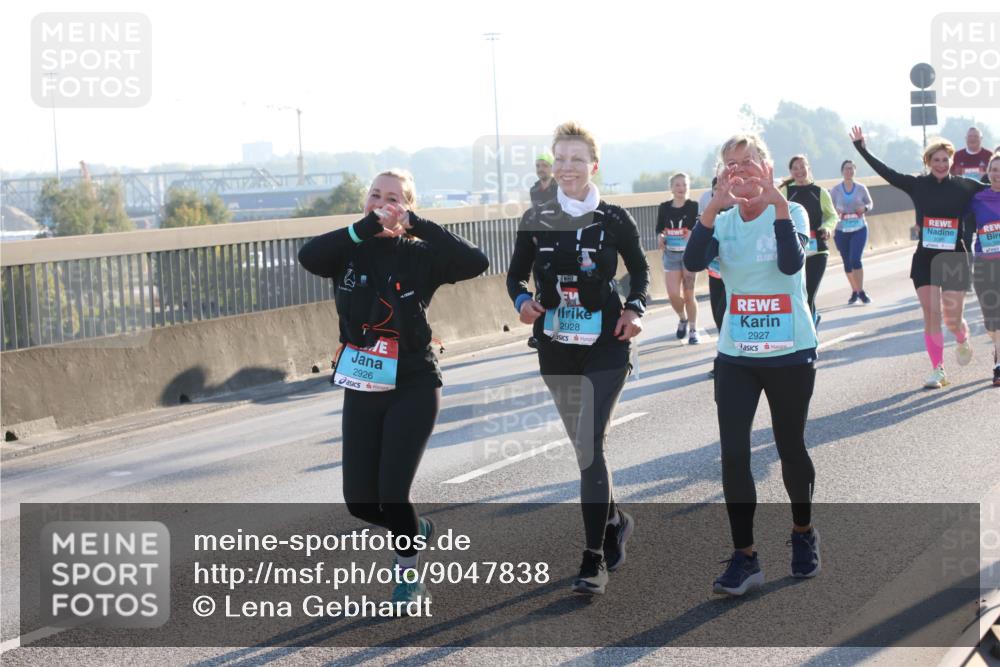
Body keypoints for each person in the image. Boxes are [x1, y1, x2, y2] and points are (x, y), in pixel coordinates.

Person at [298, 169, 489, 608]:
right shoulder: (347, 251)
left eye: (394, 198)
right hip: (363, 382)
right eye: (375, 195)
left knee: (392, 494)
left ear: (407, 206)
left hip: (414, 383)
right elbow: (309, 256)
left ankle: (408, 575)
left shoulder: (419, 255)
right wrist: (365, 227)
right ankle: (414, 529)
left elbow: (475, 262)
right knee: (360, 502)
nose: (383, 203)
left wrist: (417, 224)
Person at [507, 122, 648, 595]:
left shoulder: (613, 219)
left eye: (576, 159)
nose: (567, 167)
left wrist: (634, 308)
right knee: (583, 448)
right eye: (560, 159)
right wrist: (523, 303)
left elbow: (641, 271)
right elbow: (514, 278)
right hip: (556, 345)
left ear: (593, 165)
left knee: (589, 446)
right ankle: (614, 518)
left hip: (607, 342)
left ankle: (593, 561)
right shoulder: (537, 216)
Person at [684, 134, 820, 596]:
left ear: (767, 164)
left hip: (790, 354)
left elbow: (789, 264)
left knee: (789, 448)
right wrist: (710, 210)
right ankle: (745, 557)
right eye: (731, 165)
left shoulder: (794, 212)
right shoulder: (722, 223)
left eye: (748, 162)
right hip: (737, 356)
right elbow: (692, 260)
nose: (740, 171)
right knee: (734, 454)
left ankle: (803, 532)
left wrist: (778, 206)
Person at [852, 126, 987, 388]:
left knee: (952, 317)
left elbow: (994, 190)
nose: (941, 164)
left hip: (953, 258)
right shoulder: (917, 184)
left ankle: (960, 336)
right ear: (928, 162)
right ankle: (938, 369)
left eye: (945, 159)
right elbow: (887, 174)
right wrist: (861, 149)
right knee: (931, 313)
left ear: (951, 161)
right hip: (925, 257)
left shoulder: (964, 186)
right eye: (935, 160)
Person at [780, 155, 838, 326]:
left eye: (802, 167)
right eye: (795, 168)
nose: (799, 171)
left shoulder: (820, 192)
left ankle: (810, 334)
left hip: (817, 249)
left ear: (808, 168)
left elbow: (832, 215)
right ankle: (812, 319)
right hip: (794, 250)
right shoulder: (786, 192)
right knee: (798, 294)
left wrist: (827, 227)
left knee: (809, 293)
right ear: (790, 172)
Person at [656, 172, 702, 344]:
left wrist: (691, 233)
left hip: (689, 255)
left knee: (689, 295)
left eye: (684, 185)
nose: (681, 188)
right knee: (673, 294)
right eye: (677, 185)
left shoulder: (693, 206)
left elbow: (695, 227)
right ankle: (682, 318)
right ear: (671, 188)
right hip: (670, 255)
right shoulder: (664, 207)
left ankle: (693, 329)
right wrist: (660, 236)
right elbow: (659, 228)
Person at [970, 155, 1000, 386]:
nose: (997, 174)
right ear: (988, 172)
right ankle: (997, 349)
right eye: (994, 170)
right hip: (984, 263)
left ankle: (999, 363)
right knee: (991, 317)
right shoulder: (977, 198)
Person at [830, 160, 875, 304]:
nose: (848, 171)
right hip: (841, 230)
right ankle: (855, 290)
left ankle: (861, 291)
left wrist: (865, 209)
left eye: (851, 169)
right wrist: (836, 211)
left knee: (855, 259)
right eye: (846, 169)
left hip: (859, 228)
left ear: (854, 171)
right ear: (842, 171)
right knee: (847, 262)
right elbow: (829, 209)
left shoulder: (861, 188)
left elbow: (870, 203)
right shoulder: (835, 190)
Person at [701, 176, 729, 378]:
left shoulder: (736, 213)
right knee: (717, 318)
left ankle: (724, 361)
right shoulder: (709, 215)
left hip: (734, 275)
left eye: (722, 188)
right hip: (714, 272)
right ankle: (724, 358)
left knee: (724, 315)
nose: (719, 192)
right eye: (715, 189)